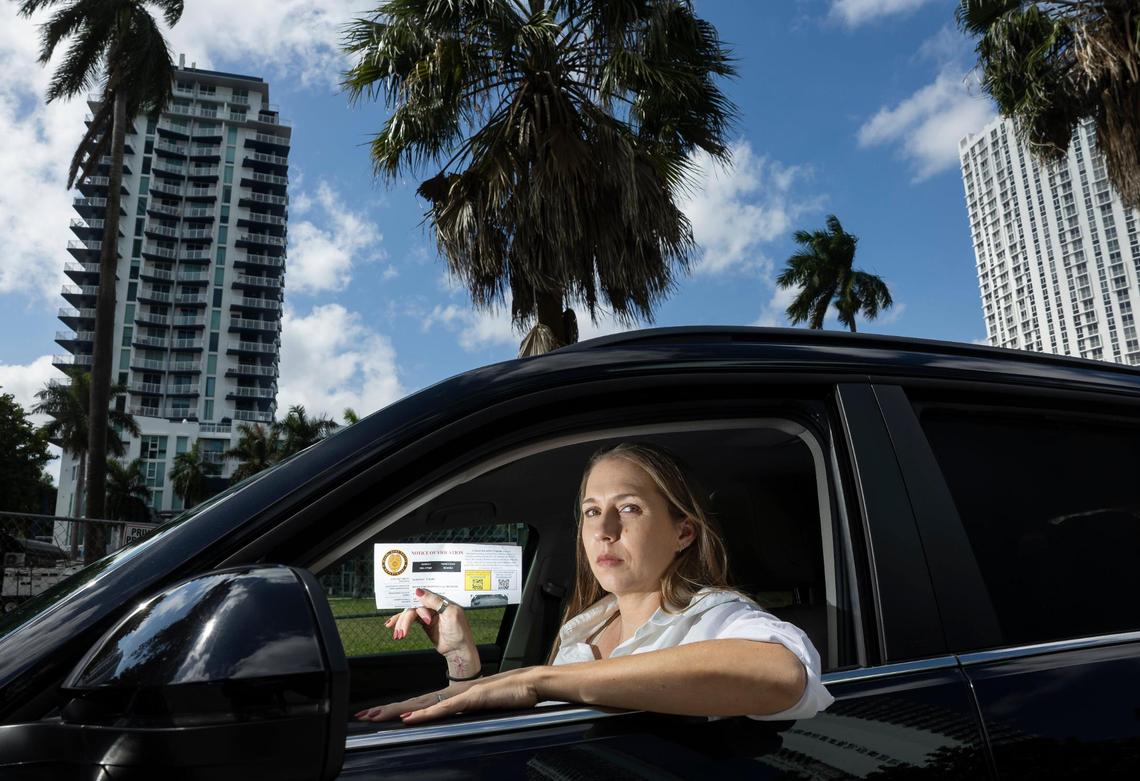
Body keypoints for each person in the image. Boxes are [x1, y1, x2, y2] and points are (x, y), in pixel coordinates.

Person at [355, 442, 834, 724]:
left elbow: (782, 675)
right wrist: (462, 663)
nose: (604, 527)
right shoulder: (584, 627)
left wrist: (538, 680)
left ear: (683, 532)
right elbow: (536, 726)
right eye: (591, 511)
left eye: (628, 508)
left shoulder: (715, 616)